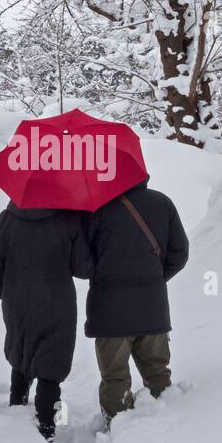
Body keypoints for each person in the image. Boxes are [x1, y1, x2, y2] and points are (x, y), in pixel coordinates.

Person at [0, 202, 91, 443]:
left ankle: (17, 405)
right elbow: (84, 268)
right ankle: (47, 430)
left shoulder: (7, 218)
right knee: (51, 366)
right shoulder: (67, 218)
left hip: (16, 301)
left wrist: (8, 294)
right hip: (57, 302)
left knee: (21, 349)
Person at [83, 176, 189, 421]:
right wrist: (155, 279)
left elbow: (80, 261)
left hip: (110, 313)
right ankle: (170, 429)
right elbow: (180, 253)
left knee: (115, 377)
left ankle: (119, 428)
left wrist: (102, 274)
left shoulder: (96, 208)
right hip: (152, 309)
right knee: (158, 374)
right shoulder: (163, 203)